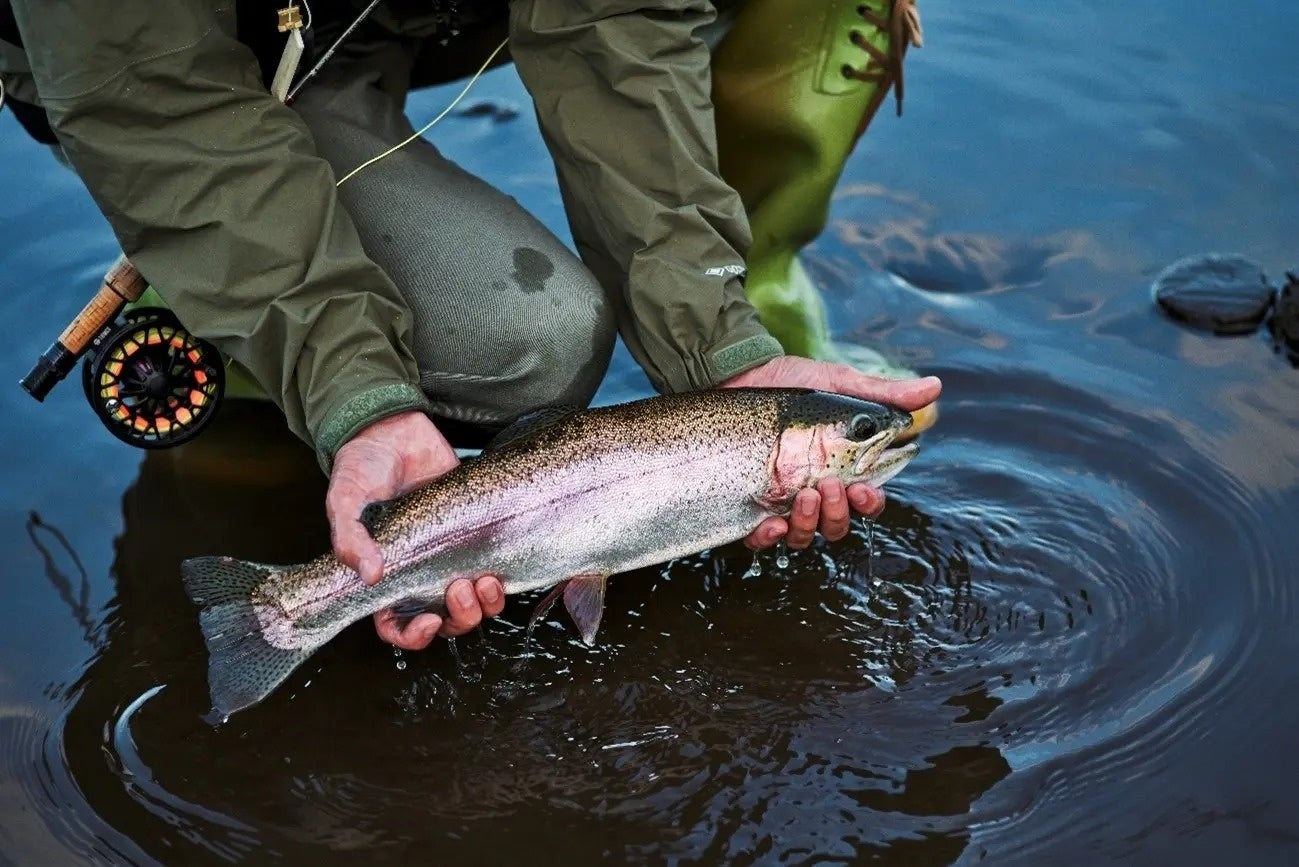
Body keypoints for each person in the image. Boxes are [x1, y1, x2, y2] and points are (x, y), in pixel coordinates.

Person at [2, 0, 939, 651]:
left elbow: (614, 22)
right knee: (533, 340)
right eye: (855, 437)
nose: (871, 442)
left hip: (411, 14)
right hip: (185, 71)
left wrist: (715, 334)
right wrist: (358, 399)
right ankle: (239, 324)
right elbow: (158, 105)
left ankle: (749, 296)